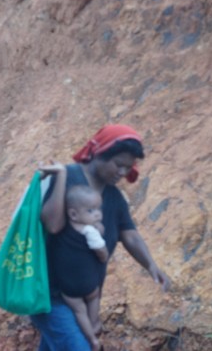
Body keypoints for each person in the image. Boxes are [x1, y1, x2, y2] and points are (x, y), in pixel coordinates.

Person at [31, 124, 170, 351]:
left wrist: (150, 264)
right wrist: (62, 177)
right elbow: (53, 225)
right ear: (100, 153)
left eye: (128, 167)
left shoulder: (114, 197)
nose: (123, 172)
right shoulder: (66, 176)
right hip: (52, 297)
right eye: (118, 164)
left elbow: (129, 234)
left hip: (83, 298)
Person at [59, 185, 109, 351]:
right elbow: (100, 251)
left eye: (98, 209)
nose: (97, 214)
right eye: (90, 211)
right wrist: (104, 256)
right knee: (93, 298)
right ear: (73, 214)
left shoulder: (63, 228)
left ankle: (90, 338)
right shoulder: (89, 230)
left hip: (66, 286)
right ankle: (94, 327)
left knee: (79, 311)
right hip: (86, 282)